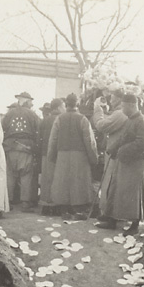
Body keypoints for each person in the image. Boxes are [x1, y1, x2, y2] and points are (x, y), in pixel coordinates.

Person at [104, 93, 144, 234]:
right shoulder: (130, 120)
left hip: (138, 161)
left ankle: (135, 225)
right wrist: (113, 149)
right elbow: (124, 138)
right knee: (117, 188)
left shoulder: (142, 121)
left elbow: (142, 142)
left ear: (132, 106)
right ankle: (112, 219)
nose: (122, 109)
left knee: (135, 192)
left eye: (123, 106)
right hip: (128, 159)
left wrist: (121, 150)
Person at [48, 93, 98, 221]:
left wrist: (52, 156)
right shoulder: (83, 119)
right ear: (77, 104)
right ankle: (78, 209)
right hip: (80, 155)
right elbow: (89, 141)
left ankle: (64, 209)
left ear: (66, 104)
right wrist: (93, 158)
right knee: (79, 181)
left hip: (62, 154)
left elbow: (53, 140)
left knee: (63, 181)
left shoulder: (59, 119)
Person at [92, 89, 128, 228]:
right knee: (114, 183)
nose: (110, 100)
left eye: (112, 98)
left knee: (111, 183)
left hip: (115, 153)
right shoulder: (120, 113)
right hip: (119, 151)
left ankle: (110, 216)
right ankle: (111, 214)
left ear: (119, 99)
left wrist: (98, 110)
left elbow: (101, 125)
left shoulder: (119, 113)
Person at [2, 91, 40, 211]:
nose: (31, 105)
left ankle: (7, 201)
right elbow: (39, 129)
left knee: (10, 175)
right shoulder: (32, 115)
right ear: (27, 102)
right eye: (30, 102)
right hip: (26, 148)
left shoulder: (9, 114)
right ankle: (25, 203)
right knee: (26, 175)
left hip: (10, 147)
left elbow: (1, 127)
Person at [38, 98, 65, 215]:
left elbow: (39, 137)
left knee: (46, 180)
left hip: (45, 153)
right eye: (63, 106)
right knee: (56, 179)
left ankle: (45, 206)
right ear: (58, 107)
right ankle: (55, 206)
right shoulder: (61, 120)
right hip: (56, 153)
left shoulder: (45, 120)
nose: (64, 108)